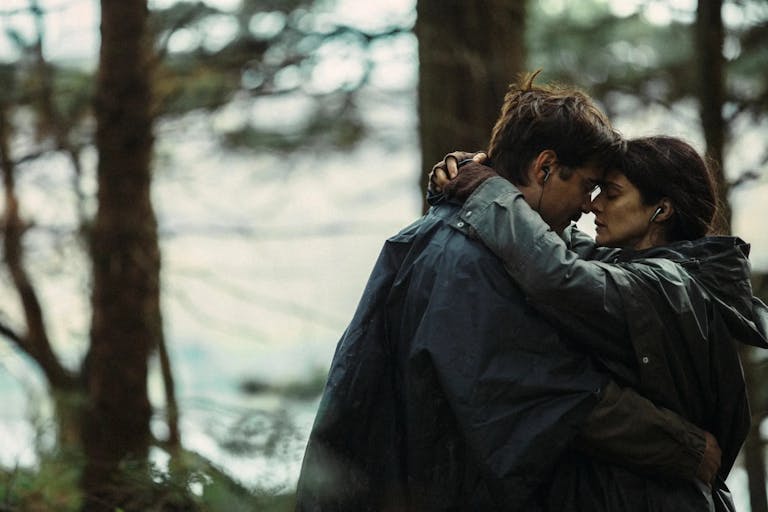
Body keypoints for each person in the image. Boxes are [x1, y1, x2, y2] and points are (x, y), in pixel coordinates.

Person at [296, 75, 721, 511]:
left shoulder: (456, 237)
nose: (586, 205)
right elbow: (555, 393)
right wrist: (688, 449)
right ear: (545, 168)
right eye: (587, 185)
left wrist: (476, 184)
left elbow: (565, 267)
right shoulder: (473, 261)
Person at [430, 135, 768, 510]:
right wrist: (480, 174)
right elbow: (556, 242)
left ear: (662, 210)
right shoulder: (641, 269)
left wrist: (487, 189)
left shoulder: (667, 285)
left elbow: (556, 274)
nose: (592, 205)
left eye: (612, 194)